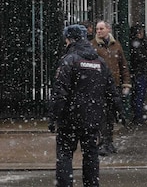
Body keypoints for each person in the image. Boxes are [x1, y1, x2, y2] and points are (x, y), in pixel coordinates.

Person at [50, 24, 118, 187]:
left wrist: (54, 117)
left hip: (70, 118)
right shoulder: (99, 62)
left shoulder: (69, 61)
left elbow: (60, 93)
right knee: (91, 154)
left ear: (70, 39)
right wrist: (116, 111)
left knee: (65, 154)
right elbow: (111, 90)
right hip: (93, 118)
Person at [92, 20, 131, 155]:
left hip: (114, 86)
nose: (99, 31)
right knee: (101, 116)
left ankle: (109, 141)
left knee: (111, 116)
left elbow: (123, 65)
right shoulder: (93, 46)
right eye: (97, 29)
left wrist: (126, 83)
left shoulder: (116, 45)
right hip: (99, 87)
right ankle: (102, 142)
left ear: (108, 29)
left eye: (101, 28)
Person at [129, 27, 147, 125]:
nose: (141, 34)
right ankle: (138, 115)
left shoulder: (141, 43)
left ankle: (138, 114)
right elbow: (139, 57)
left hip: (141, 72)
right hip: (140, 72)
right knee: (139, 95)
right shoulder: (137, 44)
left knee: (139, 95)